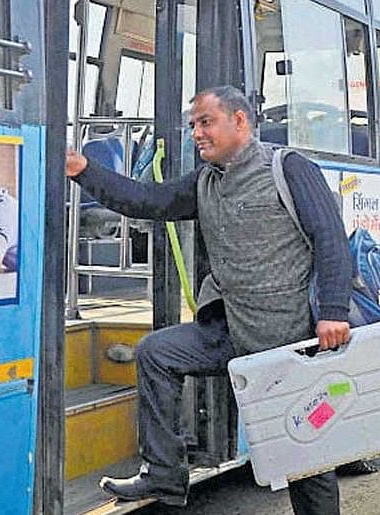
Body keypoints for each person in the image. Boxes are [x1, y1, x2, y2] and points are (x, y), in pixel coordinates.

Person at [66, 85, 353, 512]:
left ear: (239, 121)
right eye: (193, 125)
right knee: (157, 353)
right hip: (231, 331)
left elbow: (331, 240)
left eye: (205, 122)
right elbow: (149, 200)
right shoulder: (205, 182)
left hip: (290, 341)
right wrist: (83, 168)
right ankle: (164, 473)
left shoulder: (287, 169)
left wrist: (333, 312)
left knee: (305, 462)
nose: (197, 133)